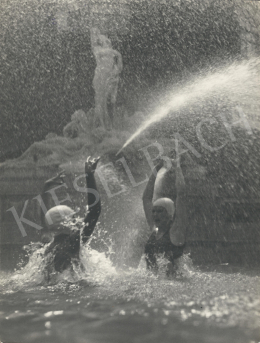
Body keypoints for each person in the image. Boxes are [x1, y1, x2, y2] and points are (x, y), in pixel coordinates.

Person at [40, 156, 101, 281]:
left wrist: (46, 188)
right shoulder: (73, 242)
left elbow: (46, 217)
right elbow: (95, 211)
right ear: (66, 223)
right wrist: (89, 175)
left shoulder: (48, 242)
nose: (78, 220)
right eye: (73, 218)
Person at [142, 157, 188, 276]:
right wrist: (156, 169)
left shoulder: (176, 232)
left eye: (160, 211)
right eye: (154, 211)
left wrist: (177, 167)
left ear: (169, 215)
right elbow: (146, 198)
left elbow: (181, 194)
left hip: (172, 286)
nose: (155, 214)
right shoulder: (154, 228)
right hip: (153, 284)